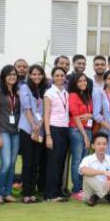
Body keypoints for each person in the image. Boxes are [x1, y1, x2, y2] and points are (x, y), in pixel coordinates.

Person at [0, 65, 21, 204]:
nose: (12, 77)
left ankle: (8, 192)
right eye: (9, 74)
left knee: (13, 163)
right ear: (4, 76)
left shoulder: (17, 93)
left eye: (14, 74)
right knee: (6, 163)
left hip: (16, 132)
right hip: (3, 131)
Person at [19, 65, 47, 203]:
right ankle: (26, 193)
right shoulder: (24, 88)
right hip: (27, 129)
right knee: (27, 162)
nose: (36, 76)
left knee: (36, 162)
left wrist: (39, 125)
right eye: (34, 74)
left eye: (39, 74)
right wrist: (34, 126)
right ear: (29, 75)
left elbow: (44, 111)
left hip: (39, 131)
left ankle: (32, 192)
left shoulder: (43, 89)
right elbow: (26, 109)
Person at [43, 66, 71, 202]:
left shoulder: (66, 93)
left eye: (62, 75)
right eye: (57, 75)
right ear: (53, 77)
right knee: (53, 162)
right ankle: (50, 194)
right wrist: (48, 136)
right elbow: (46, 116)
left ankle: (58, 190)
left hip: (64, 129)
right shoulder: (49, 93)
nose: (60, 77)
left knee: (60, 162)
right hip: (53, 128)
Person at [67, 73, 94, 200]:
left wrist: (89, 115)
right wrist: (84, 135)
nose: (83, 83)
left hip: (88, 129)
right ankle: (76, 189)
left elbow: (90, 113)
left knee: (85, 161)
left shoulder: (87, 95)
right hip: (77, 131)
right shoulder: (73, 95)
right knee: (77, 160)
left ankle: (83, 188)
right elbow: (76, 116)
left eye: (84, 80)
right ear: (75, 83)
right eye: (80, 81)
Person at [79, 133, 110, 206]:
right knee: (87, 175)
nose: (102, 146)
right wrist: (103, 172)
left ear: (107, 146)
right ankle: (107, 197)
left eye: (104, 144)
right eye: (99, 144)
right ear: (93, 146)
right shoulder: (87, 159)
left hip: (108, 188)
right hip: (91, 192)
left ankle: (102, 196)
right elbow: (83, 170)